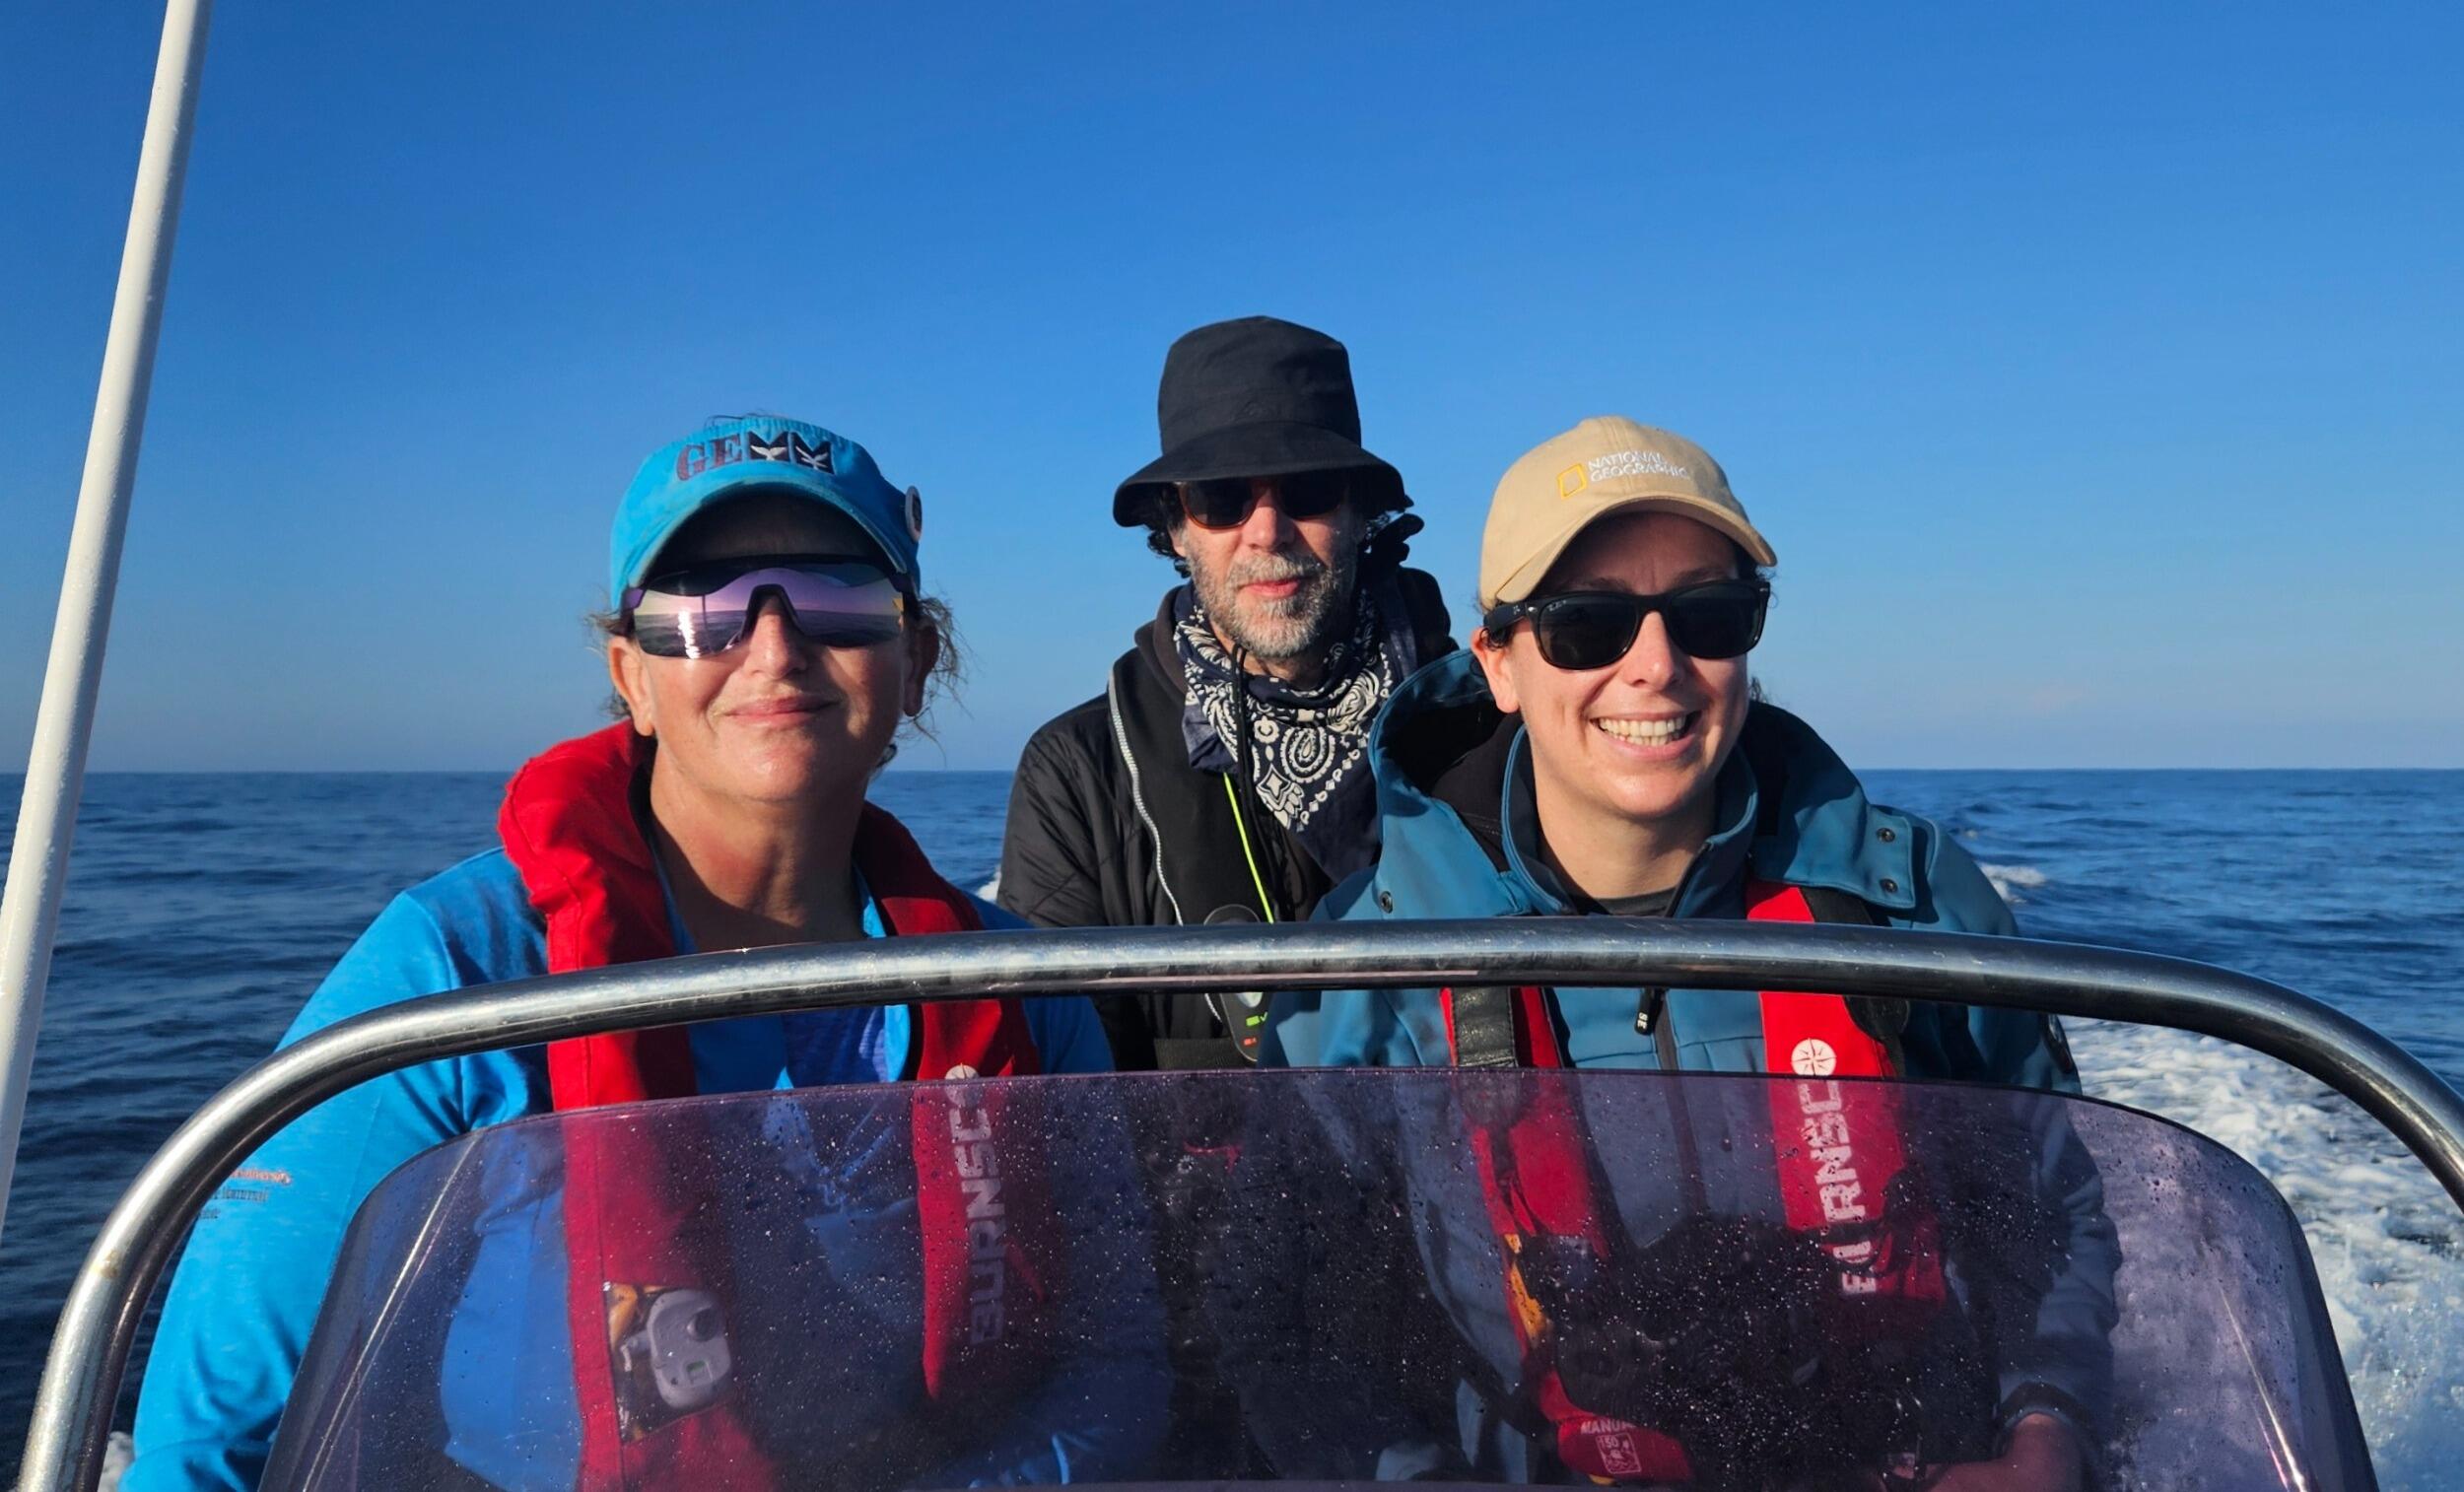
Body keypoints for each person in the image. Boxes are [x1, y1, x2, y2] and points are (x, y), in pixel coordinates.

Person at [127, 416, 1149, 1491]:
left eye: (839, 598)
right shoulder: (457, 971)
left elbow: (1114, 1364)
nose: (773, 646)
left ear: (916, 660)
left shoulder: (1022, 990)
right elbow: (217, 1433)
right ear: (632, 675)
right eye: (704, 607)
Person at [1265, 418, 2115, 1489]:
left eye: (1709, 616)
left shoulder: (1907, 904)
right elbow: (1300, 1315)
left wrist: (2045, 1424)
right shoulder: (1361, 978)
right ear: (1499, 664)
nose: (1657, 666)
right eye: (1587, 625)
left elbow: (2050, 1210)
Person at [998, 315, 1454, 1070]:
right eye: (1220, 497)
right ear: (1175, 527)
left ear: (1360, 514)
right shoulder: (1076, 773)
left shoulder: (1476, 721)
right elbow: (1063, 1086)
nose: (1267, 530)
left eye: (1308, 489)